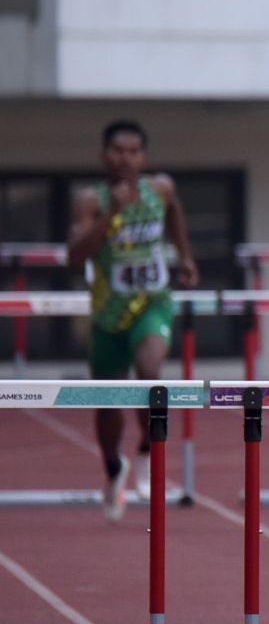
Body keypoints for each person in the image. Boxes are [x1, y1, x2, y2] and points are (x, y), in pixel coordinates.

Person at [67, 119, 199, 522]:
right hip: (108, 315)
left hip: (152, 304)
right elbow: (75, 257)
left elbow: (174, 213)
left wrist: (186, 256)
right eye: (117, 151)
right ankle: (113, 467)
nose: (125, 158)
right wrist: (112, 215)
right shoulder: (90, 201)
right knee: (108, 404)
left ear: (143, 157)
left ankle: (146, 450)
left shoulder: (160, 189)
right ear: (104, 156)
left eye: (133, 151)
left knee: (149, 371)